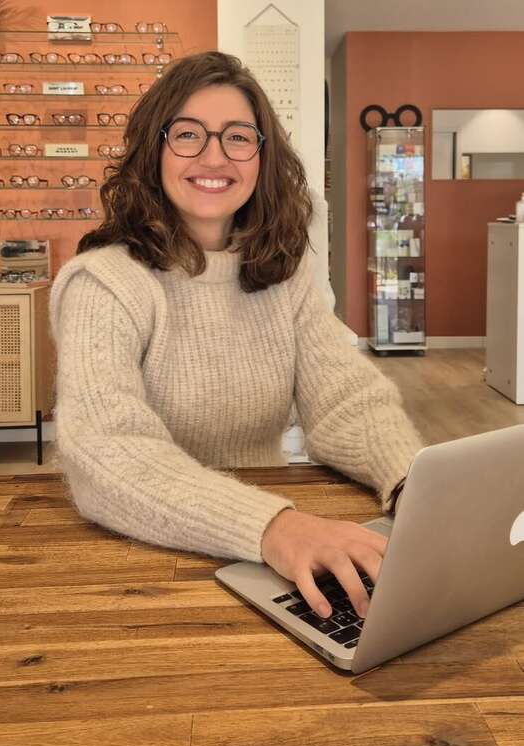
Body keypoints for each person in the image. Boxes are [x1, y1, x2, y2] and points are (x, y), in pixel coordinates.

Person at [49, 51, 421, 622]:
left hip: (265, 566)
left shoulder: (282, 271)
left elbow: (347, 402)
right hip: (142, 568)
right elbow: (107, 452)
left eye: (238, 137)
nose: (214, 157)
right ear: (154, 148)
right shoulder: (103, 282)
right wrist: (274, 526)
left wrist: (409, 479)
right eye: (188, 135)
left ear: (262, 157)